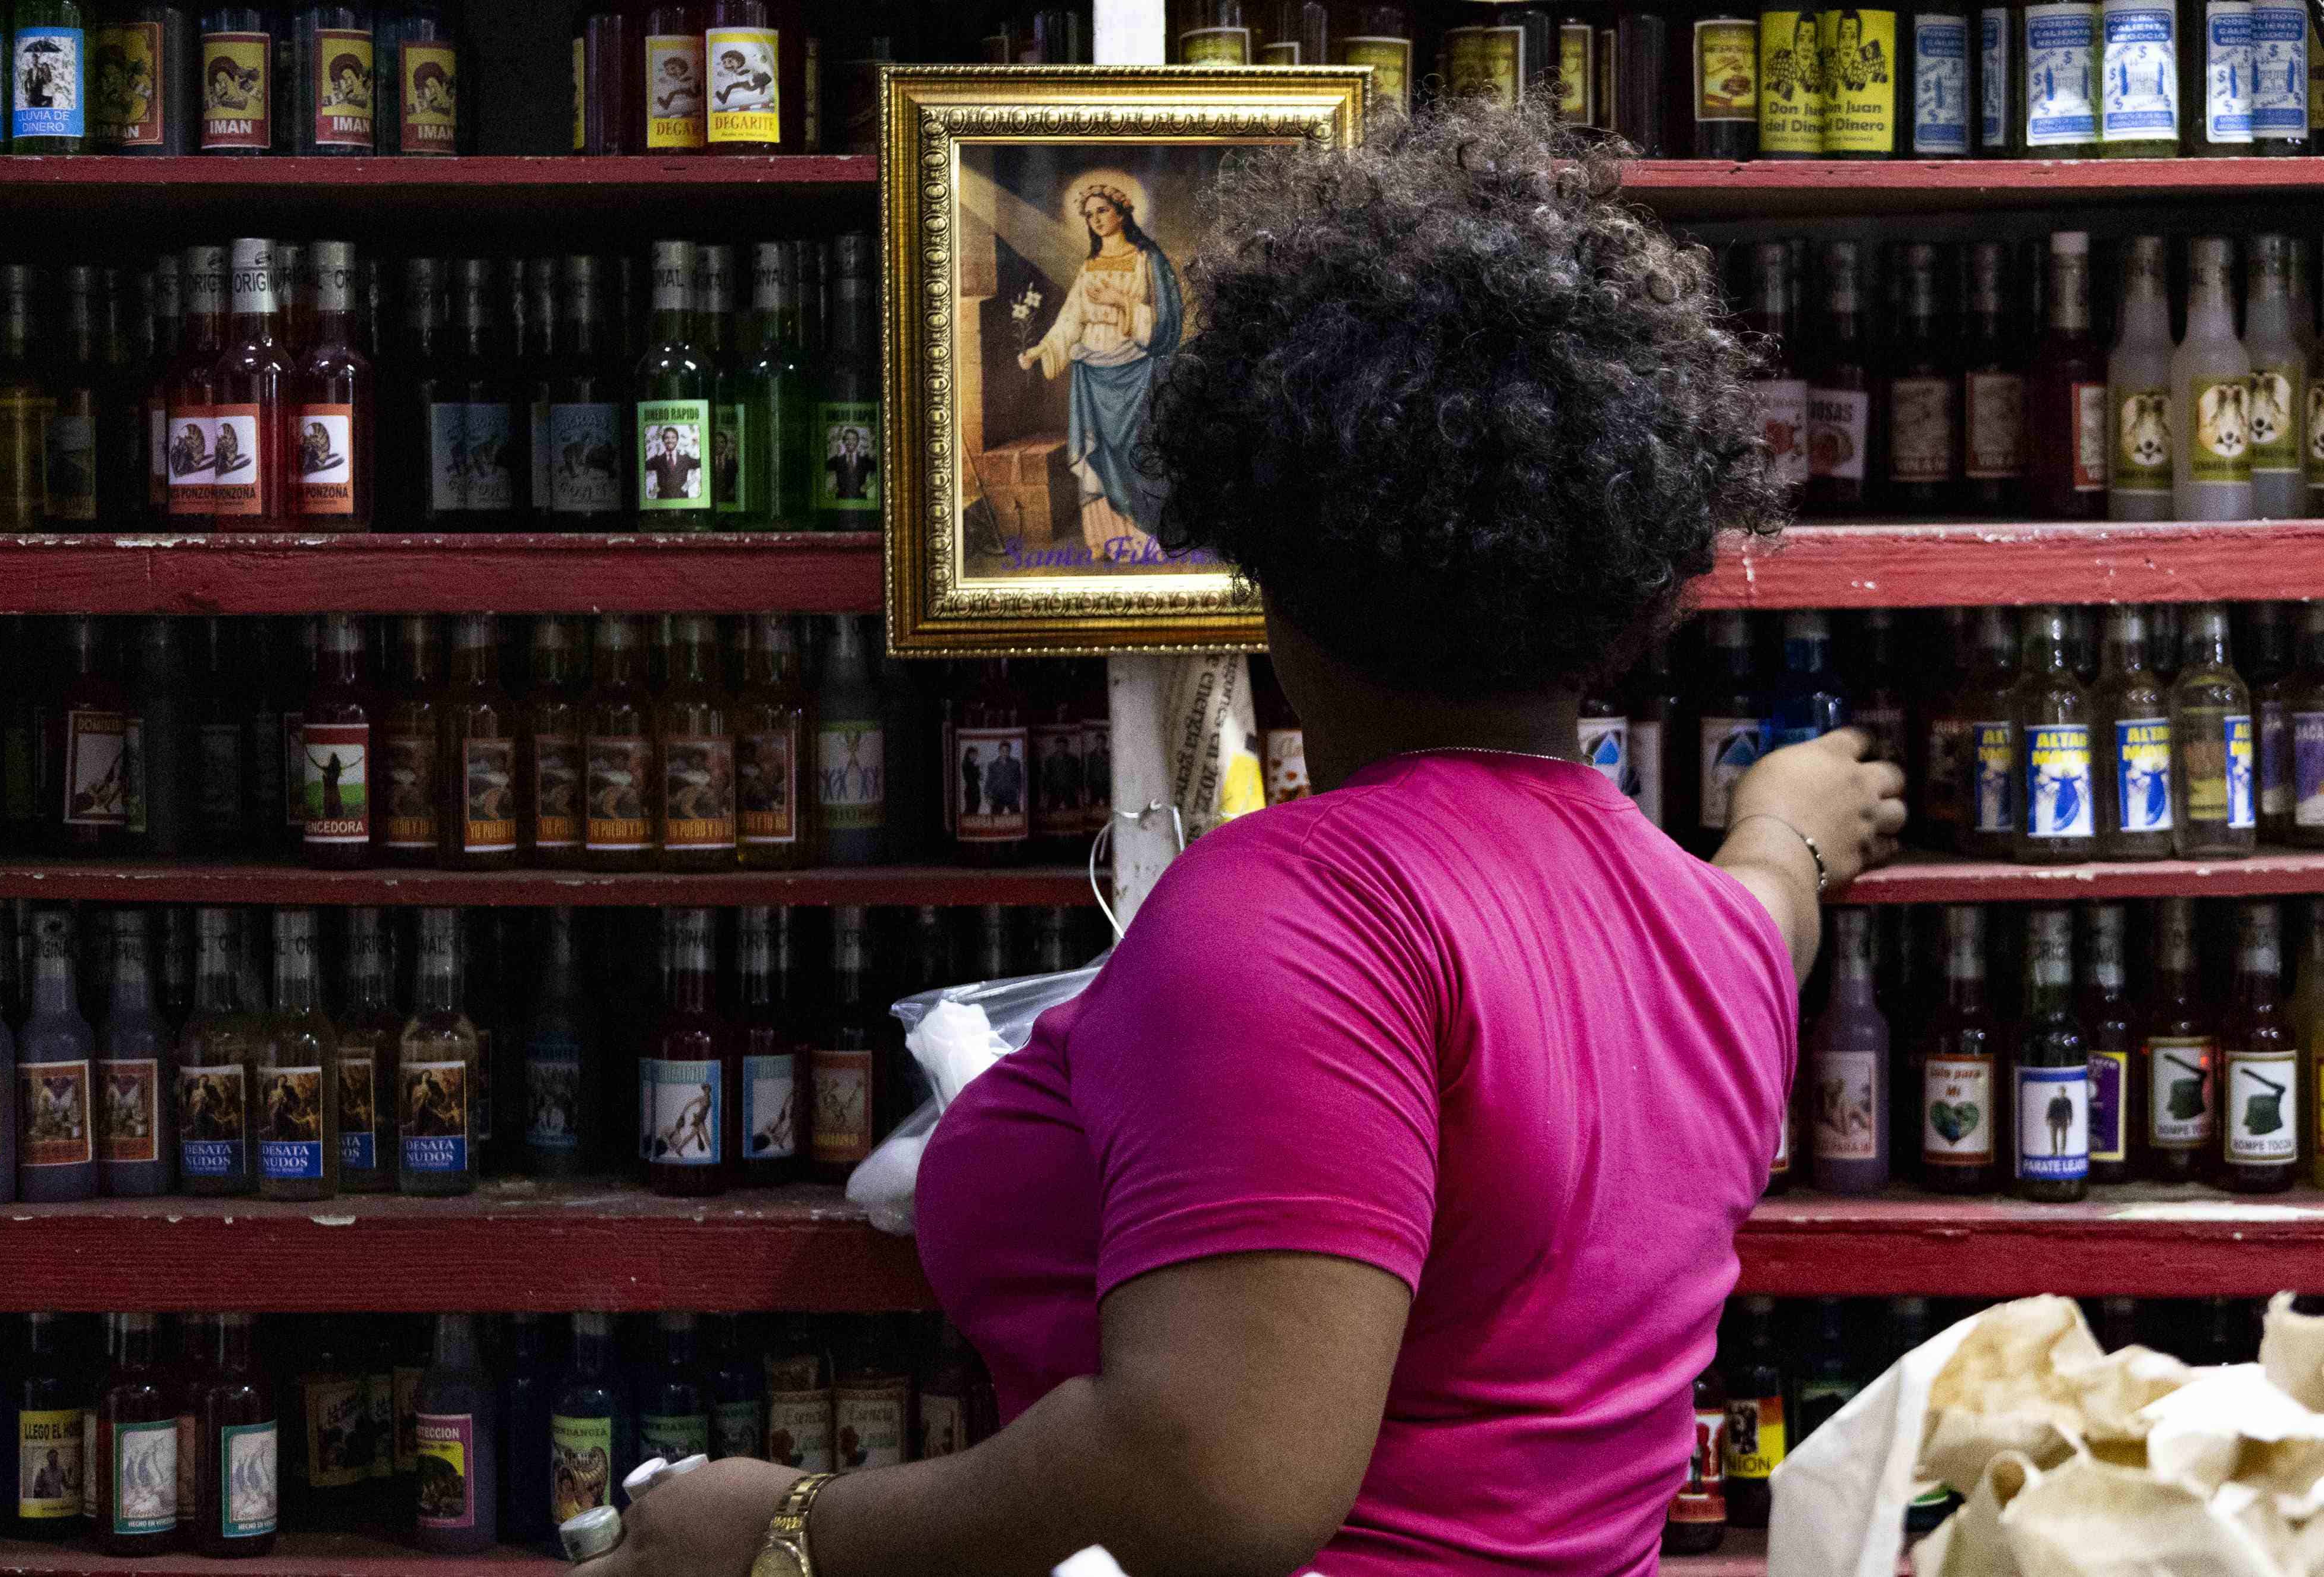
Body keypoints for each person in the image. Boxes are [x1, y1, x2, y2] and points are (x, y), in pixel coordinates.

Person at [582, 95, 1902, 1577]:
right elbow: (1772, 890)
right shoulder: (1704, 927)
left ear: (1264, 549)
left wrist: (780, 1532)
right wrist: (1787, 811)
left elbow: (1213, 1483)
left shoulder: (1290, 912)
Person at [1017, 181, 1183, 560]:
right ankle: (1107, 540)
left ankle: (1146, 538)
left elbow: (1166, 320)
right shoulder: (1089, 266)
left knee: (1138, 448)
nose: (1095, 221)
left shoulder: (1147, 260)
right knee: (1101, 452)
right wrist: (1041, 348)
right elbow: (1070, 320)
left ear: (1123, 212)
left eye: (1102, 211)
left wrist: (1121, 301)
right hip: (1092, 370)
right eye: (1089, 216)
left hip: (1137, 368)